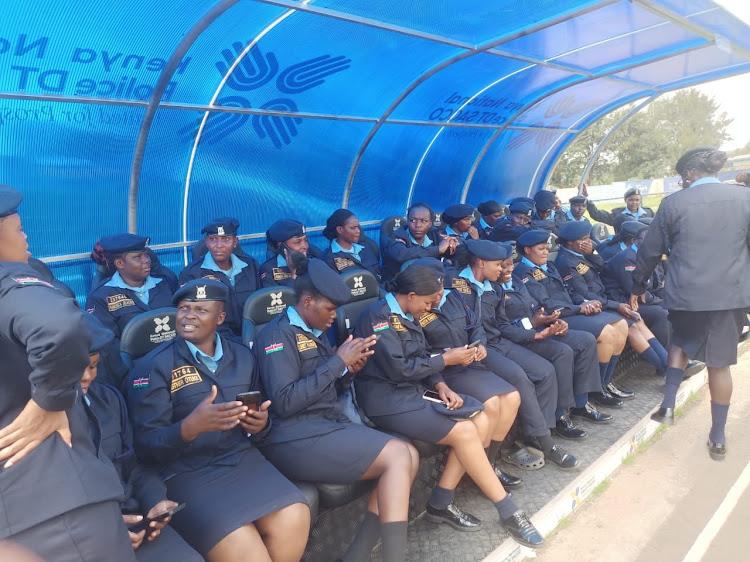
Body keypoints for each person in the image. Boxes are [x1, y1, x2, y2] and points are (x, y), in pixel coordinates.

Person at [353, 265, 543, 548]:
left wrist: (440, 384)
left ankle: (440, 502)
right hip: (385, 398)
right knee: (466, 431)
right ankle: (509, 510)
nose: (431, 308)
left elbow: (420, 355)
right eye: (429, 303)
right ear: (412, 295)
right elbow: (399, 369)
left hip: (414, 390)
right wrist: (446, 360)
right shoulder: (377, 318)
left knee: (478, 420)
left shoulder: (409, 312)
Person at [127, 279, 310, 560]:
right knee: (244, 544)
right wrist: (188, 428)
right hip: (186, 473)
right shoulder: (153, 367)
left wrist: (261, 424)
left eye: (200, 310)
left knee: (296, 515)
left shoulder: (243, 356)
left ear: (220, 317)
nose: (188, 316)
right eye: (184, 308)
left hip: (241, 460)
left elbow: (260, 415)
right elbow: (145, 448)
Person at [0, 185, 133, 561]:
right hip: (51, 504)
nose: (26, 238)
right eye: (19, 229)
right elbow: (59, 326)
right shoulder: (9, 281)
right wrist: (49, 400)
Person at [256, 258, 417, 562]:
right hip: (294, 436)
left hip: (326, 425)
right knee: (398, 456)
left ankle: (356, 555)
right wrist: (337, 363)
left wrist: (349, 371)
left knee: (409, 454)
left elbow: (328, 388)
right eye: (330, 309)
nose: (334, 316)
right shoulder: (277, 337)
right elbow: (286, 403)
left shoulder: (314, 330)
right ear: (306, 301)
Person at [631, 148, 750, 460]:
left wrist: (637, 286)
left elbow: (649, 251)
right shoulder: (744, 198)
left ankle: (668, 404)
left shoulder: (673, 203)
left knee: (680, 343)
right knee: (719, 364)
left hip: (687, 294)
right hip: (729, 296)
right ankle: (718, 435)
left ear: (688, 174)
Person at [79, 314, 202, 562]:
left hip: (133, 518)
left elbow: (132, 464)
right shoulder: (22, 425)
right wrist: (102, 527)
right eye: (76, 368)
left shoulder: (109, 400)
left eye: (93, 366)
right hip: (80, 538)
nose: (87, 377)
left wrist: (154, 500)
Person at [449, 239, 578, 470]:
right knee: (519, 377)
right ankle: (547, 444)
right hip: (476, 350)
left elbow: (503, 324)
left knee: (545, 371)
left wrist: (535, 336)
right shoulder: (456, 286)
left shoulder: (495, 288)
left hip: (499, 342)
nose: (502, 269)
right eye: (498, 265)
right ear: (480, 263)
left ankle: (537, 434)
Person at [409, 257, 523, 489]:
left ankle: (487, 465)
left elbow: (475, 325)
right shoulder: (415, 311)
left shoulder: (454, 297)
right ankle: (480, 469)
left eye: (441, 286)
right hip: (443, 372)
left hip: (469, 364)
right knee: (491, 404)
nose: (439, 293)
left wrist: (479, 344)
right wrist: (445, 357)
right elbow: (418, 353)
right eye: (434, 288)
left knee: (512, 398)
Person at [514, 229, 625, 418]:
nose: (545, 251)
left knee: (621, 325)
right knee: (601, 335)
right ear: (527, 250)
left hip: (571, 310)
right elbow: (547, 304)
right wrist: (578, 309)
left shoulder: (548, 266)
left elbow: (567, 292)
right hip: (557, 317)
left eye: (547, 248)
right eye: (541, 248)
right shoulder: (523, 273)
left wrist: (583, 302)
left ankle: (600, 386)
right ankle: (588, 397)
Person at [497, 250, 602, 440]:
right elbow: (503, 326)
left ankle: (580, 403)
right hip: (519, 338)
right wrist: (536, 327)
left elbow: (536, 306)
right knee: (562, 353)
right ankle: (559, 415)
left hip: (537, 329)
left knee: (585, 340)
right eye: (503, 266)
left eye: (511, 264)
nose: (509, 269)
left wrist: (550, 321)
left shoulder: (516, 281)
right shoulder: (493, 290)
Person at [555, 221, 669, 393]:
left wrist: (592, 252)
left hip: (605, 300)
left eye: (588, 238)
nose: (588, 242)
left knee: (638, 321)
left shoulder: (580, 254)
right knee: (631, 326)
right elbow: (584, 293)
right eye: (584, 239)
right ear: (570, 242)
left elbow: (604, 268)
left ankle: (668, 365)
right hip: (593, 306)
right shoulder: (566, 261)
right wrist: (616, 305)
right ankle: (604, 385)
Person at [86, 234, 175, 388]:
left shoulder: (166, 282)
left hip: (177, 364)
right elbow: (108, 348)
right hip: (136, 376)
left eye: (146, 254)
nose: (146, 260)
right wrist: (135, 377)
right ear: (120, 263)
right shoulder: (101, 296)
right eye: (137, 257)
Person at [179, 217, 260, 337]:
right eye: (213, 239)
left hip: (254, 332)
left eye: (226, 239)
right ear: (206, 242)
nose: (219, 245)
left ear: (235, 242)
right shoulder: (192, 274)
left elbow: (260, 305)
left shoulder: (250, 265)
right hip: (218, 338)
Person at [601, 221, 671, 348]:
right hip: (625, 301)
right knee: (662, 313)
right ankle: (667, 359)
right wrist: (661, 301)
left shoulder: (648, 255)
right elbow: (636, 292)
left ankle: (677, 354)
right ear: (635, 241)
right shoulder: (627, 258)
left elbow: (656, 282)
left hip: (642, 296)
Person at [382, 203, 457, 281]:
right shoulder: (396, 235)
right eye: (413, 220)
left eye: (424, 221)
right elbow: (401, 255)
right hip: (399, 284)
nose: (418, 225)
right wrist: (438, 250)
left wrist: (451, 244)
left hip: (431, 281)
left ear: (430, 224)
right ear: (407, 221)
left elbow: (449, 250)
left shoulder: (435, 234)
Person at [322, 208, 381, 279]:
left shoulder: (368, 247)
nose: (358, 231)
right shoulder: (328, 259)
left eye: (358, 227)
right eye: (353, 228)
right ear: (340, 229)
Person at [259, 219, 314, 288]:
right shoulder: (269, 270)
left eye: (305, 240)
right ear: (281, 246)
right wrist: (294, 275)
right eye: (297, 242)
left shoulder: (313, 261)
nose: (305, 246)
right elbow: (280, 298)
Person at [585, 186, 655, 232]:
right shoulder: (617, 214)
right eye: (631, 200)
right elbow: (597, 214)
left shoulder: (648, 212)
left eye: (637, 200)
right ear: (625, 200)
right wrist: (586, 199)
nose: (634, 202)